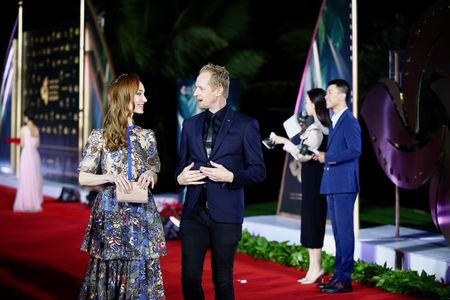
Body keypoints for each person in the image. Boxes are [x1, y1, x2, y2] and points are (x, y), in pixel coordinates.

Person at [175, 63, 266, 300]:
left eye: (200, 88)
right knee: (190, 278)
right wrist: (179, 178)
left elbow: (258, 171)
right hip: (193, 214)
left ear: (218, 90)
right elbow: (180, 165)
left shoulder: (246, 125)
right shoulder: (190, 124)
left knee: (222, 280)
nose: (195, 93)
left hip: (226, 215)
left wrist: (232, 176)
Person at [77, 74, 166, 299]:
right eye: (139, 94)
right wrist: (109, 176)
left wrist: (149, 173)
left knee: (140, 264)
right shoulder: (100, 137)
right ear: (124, 97)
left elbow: (155, 171)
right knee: (109, 263)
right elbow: (84, 178)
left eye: (143, 93)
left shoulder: (147, 136)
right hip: (111, 213)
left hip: (141, 212)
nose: (144, 99)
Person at [271, 88, 331, 284]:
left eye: (307, 102)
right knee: (310, 221)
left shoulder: (317, 129)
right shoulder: (315, 127)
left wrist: (284, 142)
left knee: (313, 221)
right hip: (312, 180)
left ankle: (317, 267)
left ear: (315, 104)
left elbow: (303, 155)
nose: (305, 105)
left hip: (315, 181)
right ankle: (313, 268)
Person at [313, 79, 361, 294]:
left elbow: (355, 150)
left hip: (344, 184)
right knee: (339, 234)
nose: (326, 97)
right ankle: (338, 276)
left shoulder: (349, 121)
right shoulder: (335, 120)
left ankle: (344, 279)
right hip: (333, 183)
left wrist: (327, 156)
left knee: (345, 232)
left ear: (343, 95)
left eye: (330, 92)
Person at [13, 109, 43, 212]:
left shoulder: (23, 129)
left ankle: (26, 202)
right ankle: (34, 201)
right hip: (35, 155)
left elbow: (22, 144)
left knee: (26, 179)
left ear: (26, 117)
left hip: (26, 155)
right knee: (34, 179)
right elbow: (37, 144)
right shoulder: (36, 129)